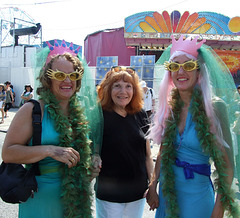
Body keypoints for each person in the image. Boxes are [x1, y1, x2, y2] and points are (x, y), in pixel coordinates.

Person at [2, 40, 102, 218]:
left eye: (72, 76)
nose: (67, 81)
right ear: (48, 78)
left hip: (77, 200)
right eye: (59, 75)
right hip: (41, 201)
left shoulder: (80, 113)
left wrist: (91, 166)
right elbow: (8, 153)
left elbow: (80, 155)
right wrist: (49, 150)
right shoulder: (32, 110)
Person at [146, 35, 240, 218]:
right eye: (175, 66)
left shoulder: (214, 107)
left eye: (188, 65)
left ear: (199, 72)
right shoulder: (170, 107)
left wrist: (218, 212)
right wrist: (153, 184)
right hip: (168, 194)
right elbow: (164, 150)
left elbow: (227, 167)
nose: (181, 72)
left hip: (197, 197)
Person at [96, 66, 154, 218]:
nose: (123, 92)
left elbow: (147, 155)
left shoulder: (140, 114)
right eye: (117, 86)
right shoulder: (99, 115)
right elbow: (92, 152)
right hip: (109, 195)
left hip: (137, 193)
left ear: (134, 91)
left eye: (128, 86)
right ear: (109, 89)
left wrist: (152, 185)